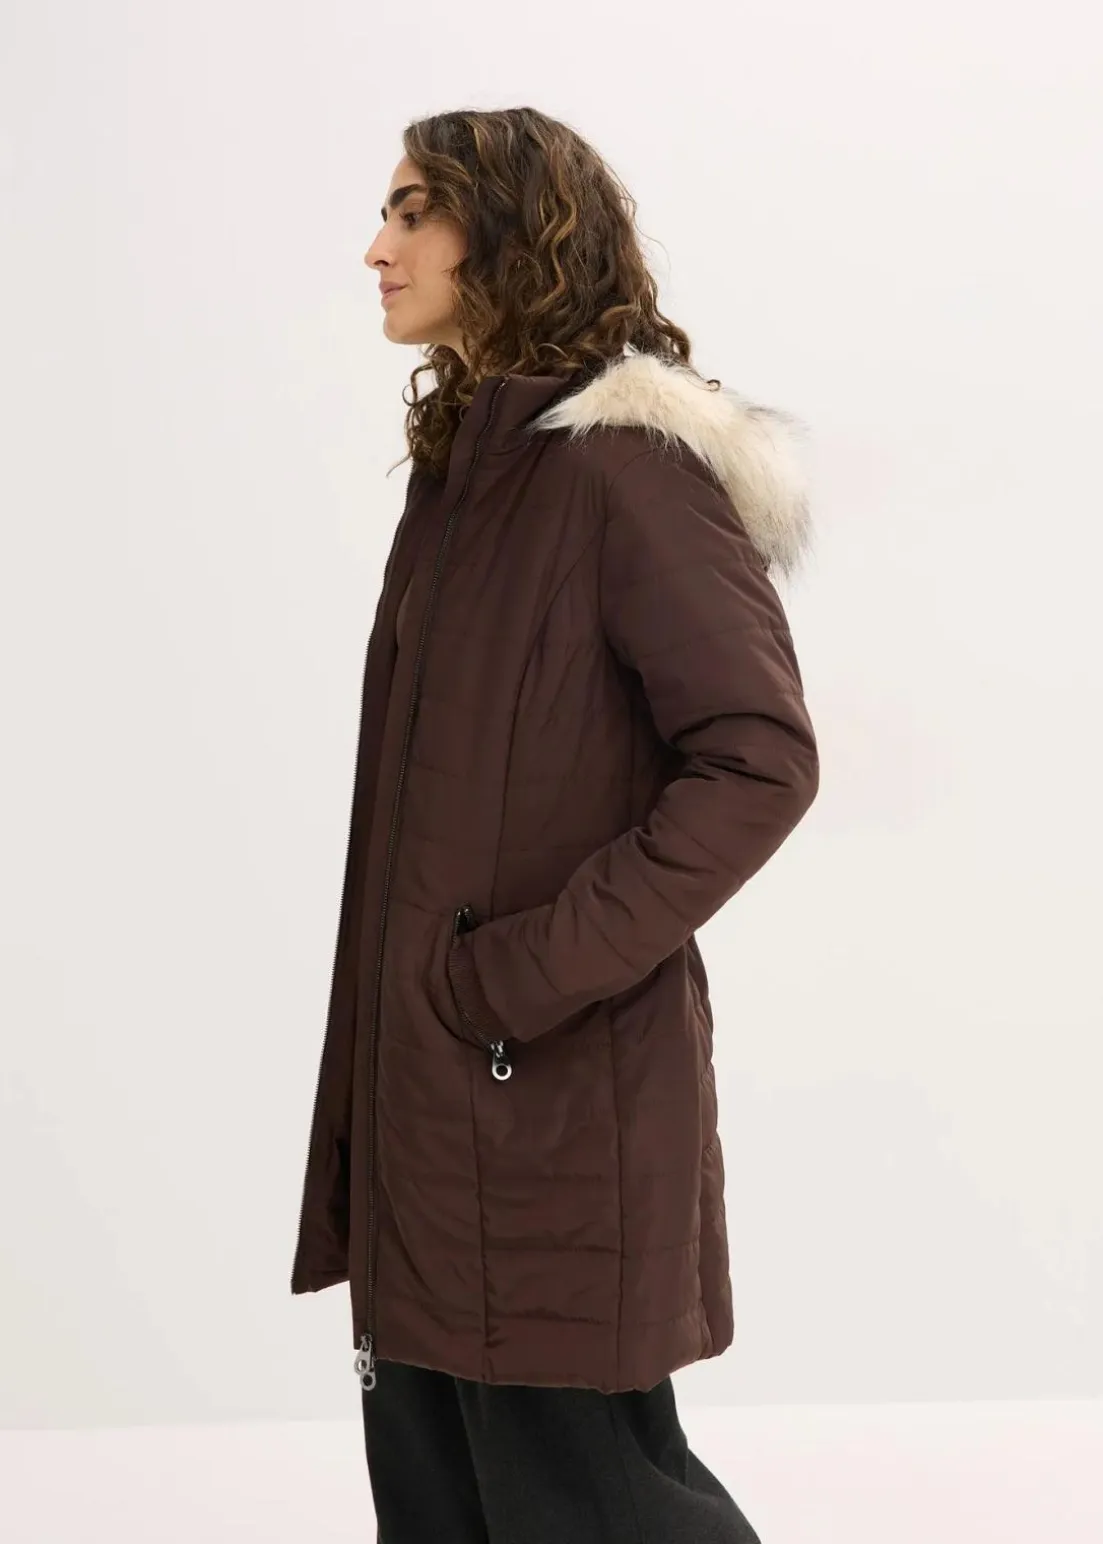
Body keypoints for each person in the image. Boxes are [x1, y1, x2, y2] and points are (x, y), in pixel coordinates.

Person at [290, 105, 819, 1543]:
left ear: (511, 230)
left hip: (544, 1105)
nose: (377, 248)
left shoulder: (620, 471)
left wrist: (524, 971)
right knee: (445, 1504)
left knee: (591, 1506)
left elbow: (759, 758)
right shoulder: (470, 479)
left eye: (413, 212)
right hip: (428, 1113)